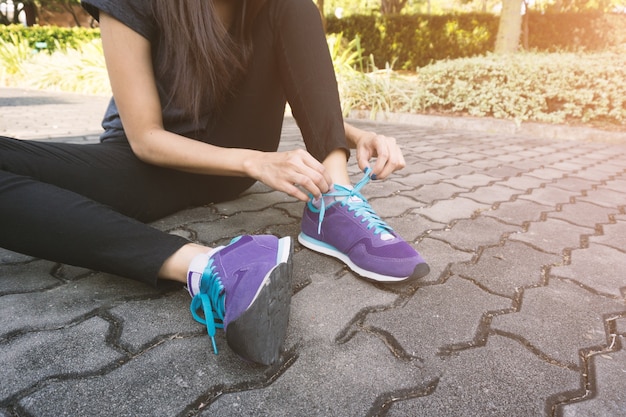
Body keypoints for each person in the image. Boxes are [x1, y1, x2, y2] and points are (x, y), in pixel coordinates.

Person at [0, 0, 429, 366]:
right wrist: (255, 161)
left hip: (232, 169)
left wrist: (351, 135)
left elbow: (292, 80)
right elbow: (146, 138)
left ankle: (333, 203)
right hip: (149, 166)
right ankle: (208, 266)